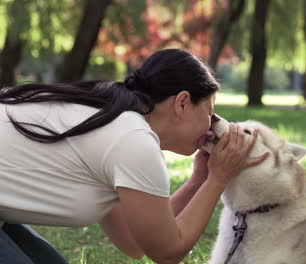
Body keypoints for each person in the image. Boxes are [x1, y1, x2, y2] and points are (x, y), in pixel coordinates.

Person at [0, 49, 268, 264]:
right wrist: (218, 180)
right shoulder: (133, 140)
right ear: (182, 102)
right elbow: (167, 252)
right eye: (209, 113)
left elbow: (133, 241)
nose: (211, 126)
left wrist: (199, 180)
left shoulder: (113, 119)